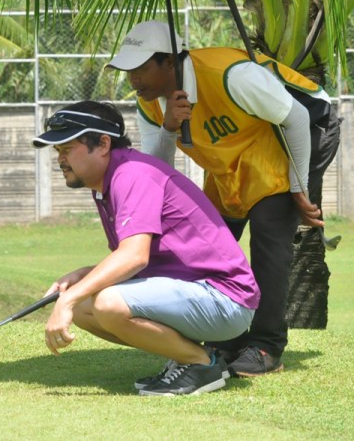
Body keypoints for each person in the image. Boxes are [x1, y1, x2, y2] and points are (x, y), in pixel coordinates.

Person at [108, 20, 339, 376]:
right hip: (229, 162)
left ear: (169, 62)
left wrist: (299, 188)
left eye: (139, 69)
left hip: (296, 132)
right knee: (205, 246)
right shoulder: (151, 103)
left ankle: (266, 345)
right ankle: (226, 338)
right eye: (128, 70)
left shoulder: (232, 75)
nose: (132, 79)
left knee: (269, 232)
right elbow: (155, 171)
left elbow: (295, 118)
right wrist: (169, 127)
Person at [33, 100, 260, 396]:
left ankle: (202, 363)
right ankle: (186, 359)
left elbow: (134, 257)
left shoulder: (132, 174)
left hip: (226, 300)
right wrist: (82, 277)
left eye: (67, 149)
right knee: (85, 308)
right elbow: (136, 255)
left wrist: (67, 300)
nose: (60, 159)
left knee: (106, 303)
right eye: (58, 151)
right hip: (199, 294)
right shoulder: (109, 182)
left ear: (102, 144)